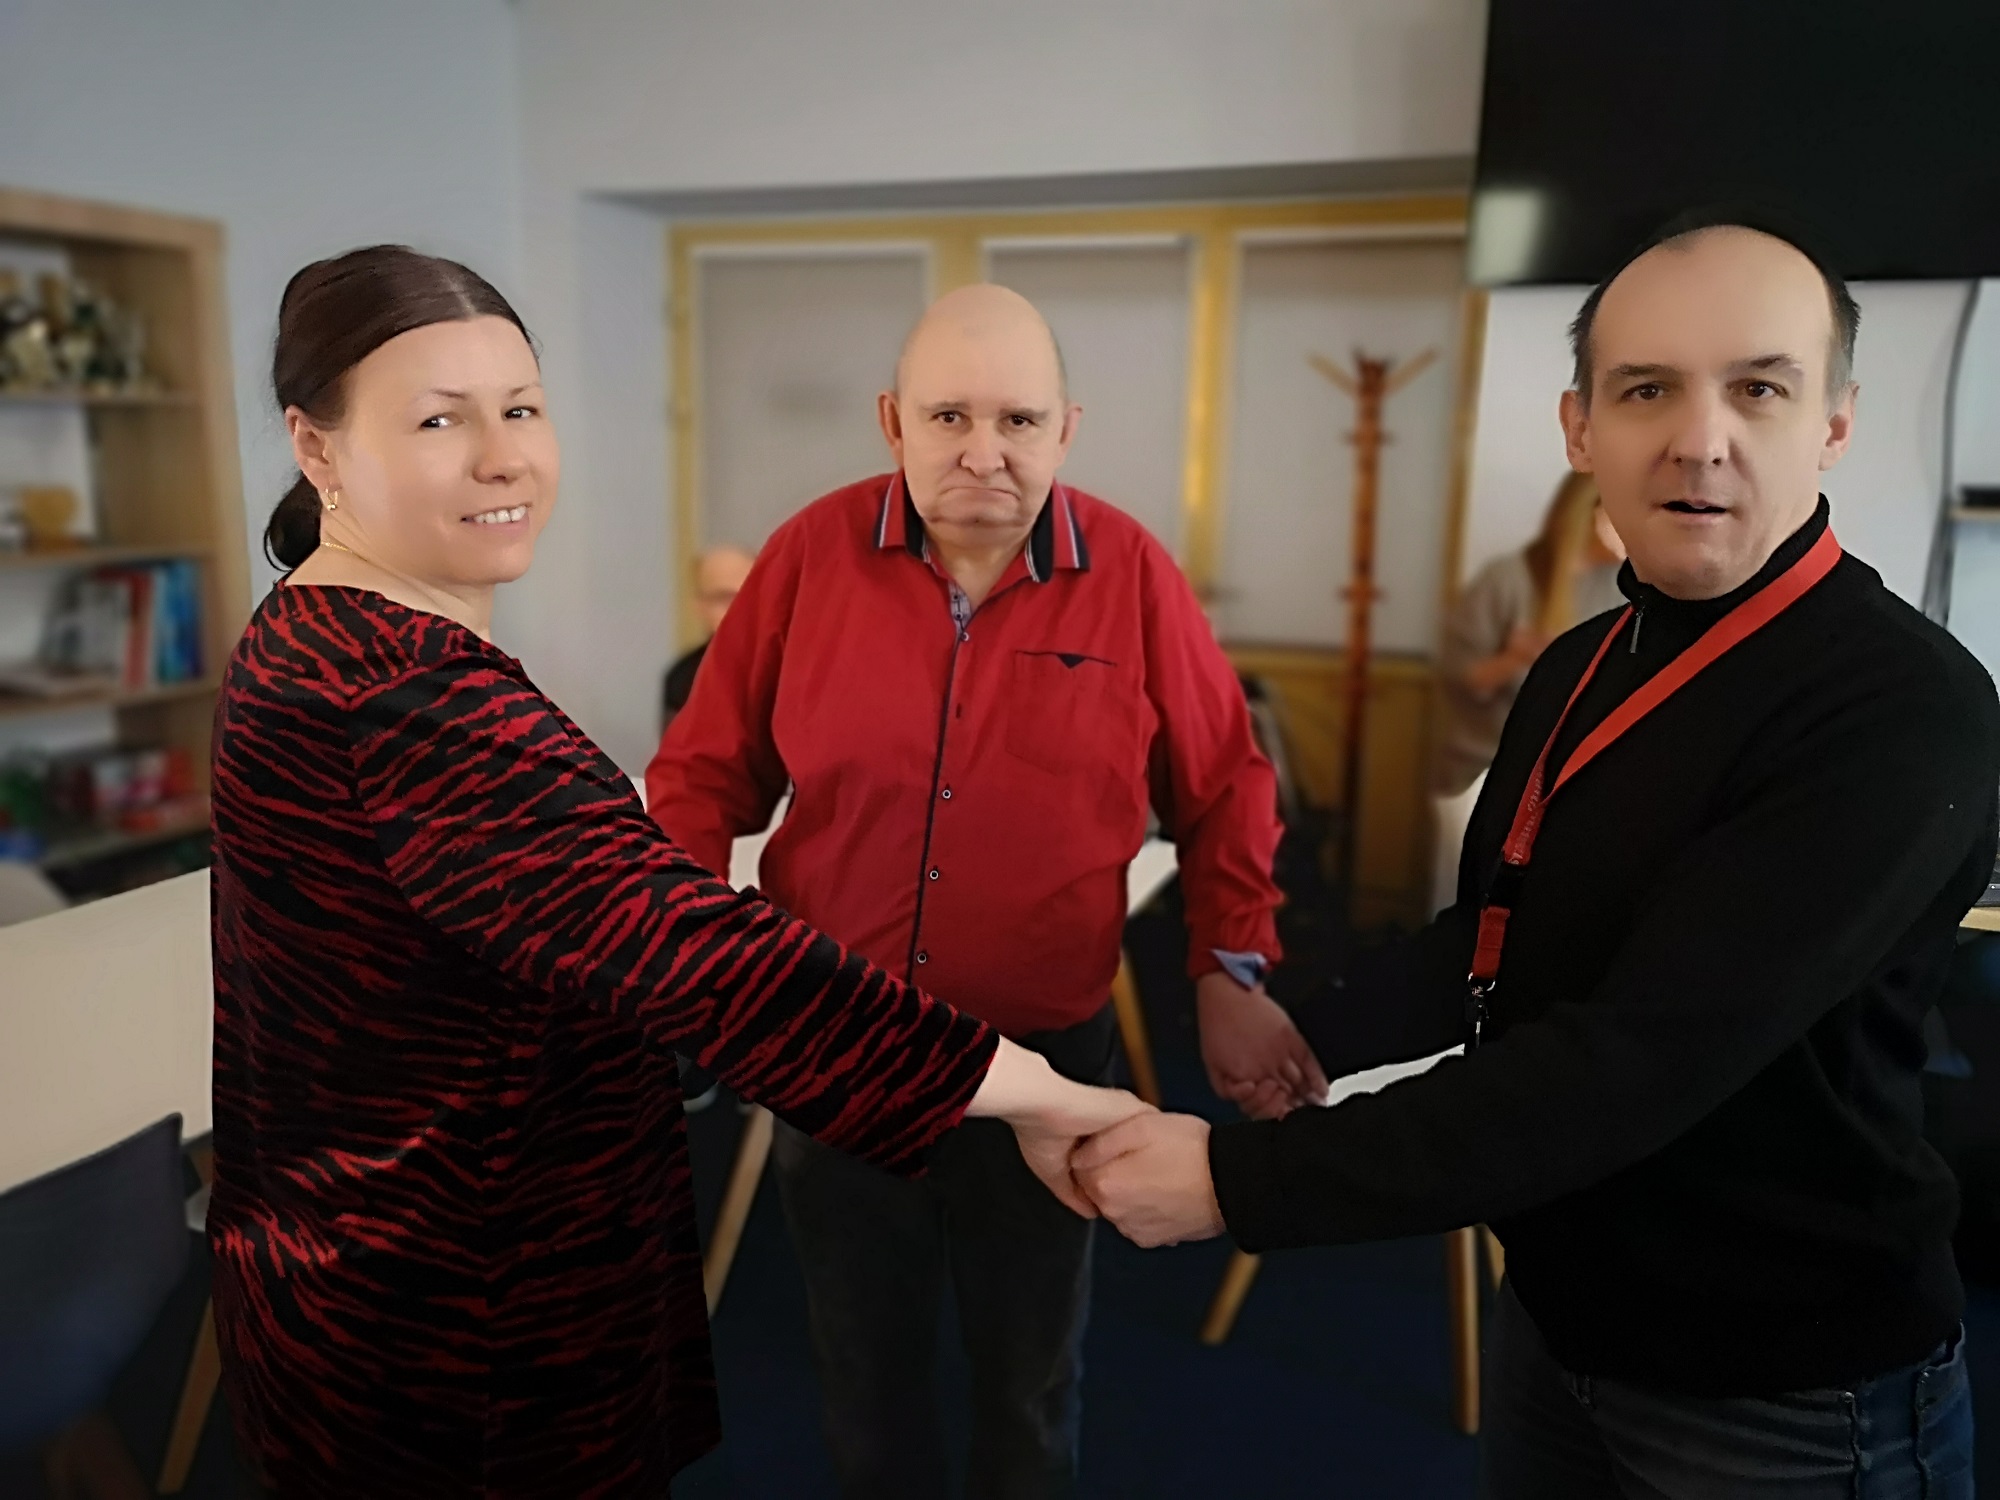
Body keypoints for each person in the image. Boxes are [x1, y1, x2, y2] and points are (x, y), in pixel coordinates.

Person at [1074, 213, 2000, 1498]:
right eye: (1645, 390)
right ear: (1579, 429)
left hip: (1782, 1385)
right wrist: (1310, 1030)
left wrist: (1238, 1183)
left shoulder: (1897, 707)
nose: (1698, 439)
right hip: (1559, 1318)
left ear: (1833, 423)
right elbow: (1500, 933)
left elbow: (1637, 1058)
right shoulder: (1581, 662)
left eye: (1757, 389)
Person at [206, 246, 1150, 1500]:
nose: (502, 458)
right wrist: (1044, 1094)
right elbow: (696, 952)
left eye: (520, 409)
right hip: (457, 1317)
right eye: (439, 420)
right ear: (314, 446)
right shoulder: (401, 691)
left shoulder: (322, 632)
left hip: (400, 1267)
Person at [645, 282, 1324, 1499]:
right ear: (891, 422)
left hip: (1043, 1061)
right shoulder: (805, 556)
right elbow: (699, 776)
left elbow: (1226, 784)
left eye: (1017, 420)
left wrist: (1229, 970)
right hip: (836, 1047)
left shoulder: (1130, 571)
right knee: (862, 1377)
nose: (982, 451)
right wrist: (684, 964)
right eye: (947, 416)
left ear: (1065, 429)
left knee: (1028, 1379)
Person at [1436, 471, 1627, 797]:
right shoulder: (1506, 580)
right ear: (1587, 514)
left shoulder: (1620, 590)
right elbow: (1457, 678)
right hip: (1487, 772)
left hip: (1571, 777)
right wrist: (1514, 660)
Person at [661, 543, 756, 732]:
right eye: (724, 597)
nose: (739, 607)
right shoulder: (682, 678)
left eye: (750, 593)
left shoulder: (796, 669)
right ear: (700, 605)